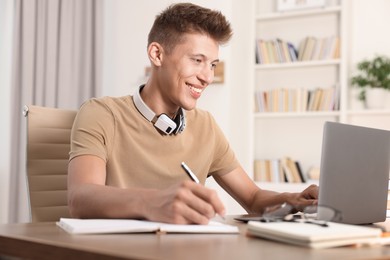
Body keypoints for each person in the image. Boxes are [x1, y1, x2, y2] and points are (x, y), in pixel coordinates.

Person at [67, 3, 318, 225]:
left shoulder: (205, 125)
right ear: (157, 54)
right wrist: (154, 202)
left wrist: (291, 200)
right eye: (197, 60)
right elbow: (80, 199)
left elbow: (252, 198)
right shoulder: (101, 113)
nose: (207, 76)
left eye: (212, 65)